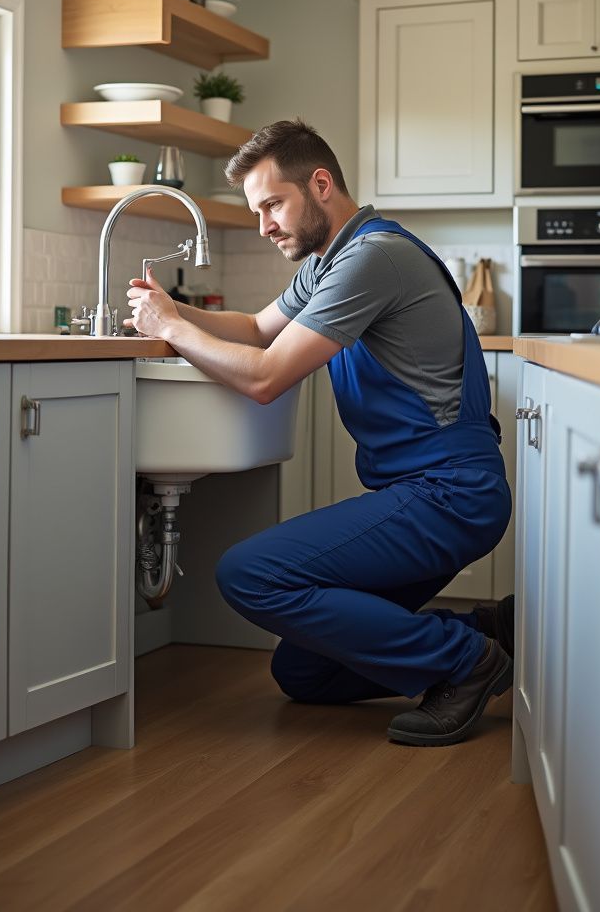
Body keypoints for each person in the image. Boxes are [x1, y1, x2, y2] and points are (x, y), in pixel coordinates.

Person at [125, 119, 513, 746]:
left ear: (321, 184)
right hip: (420, 493)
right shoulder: (333, 262)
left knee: (249, 574)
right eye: (257, 211)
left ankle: (468, 663)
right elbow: (255, 329)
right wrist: (166, 309)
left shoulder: (373, 258)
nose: (265, 225)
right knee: (304, 671)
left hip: (448, 493)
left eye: (273, 204)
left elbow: (264, 376)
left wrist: (172, 330)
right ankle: (489, 630)